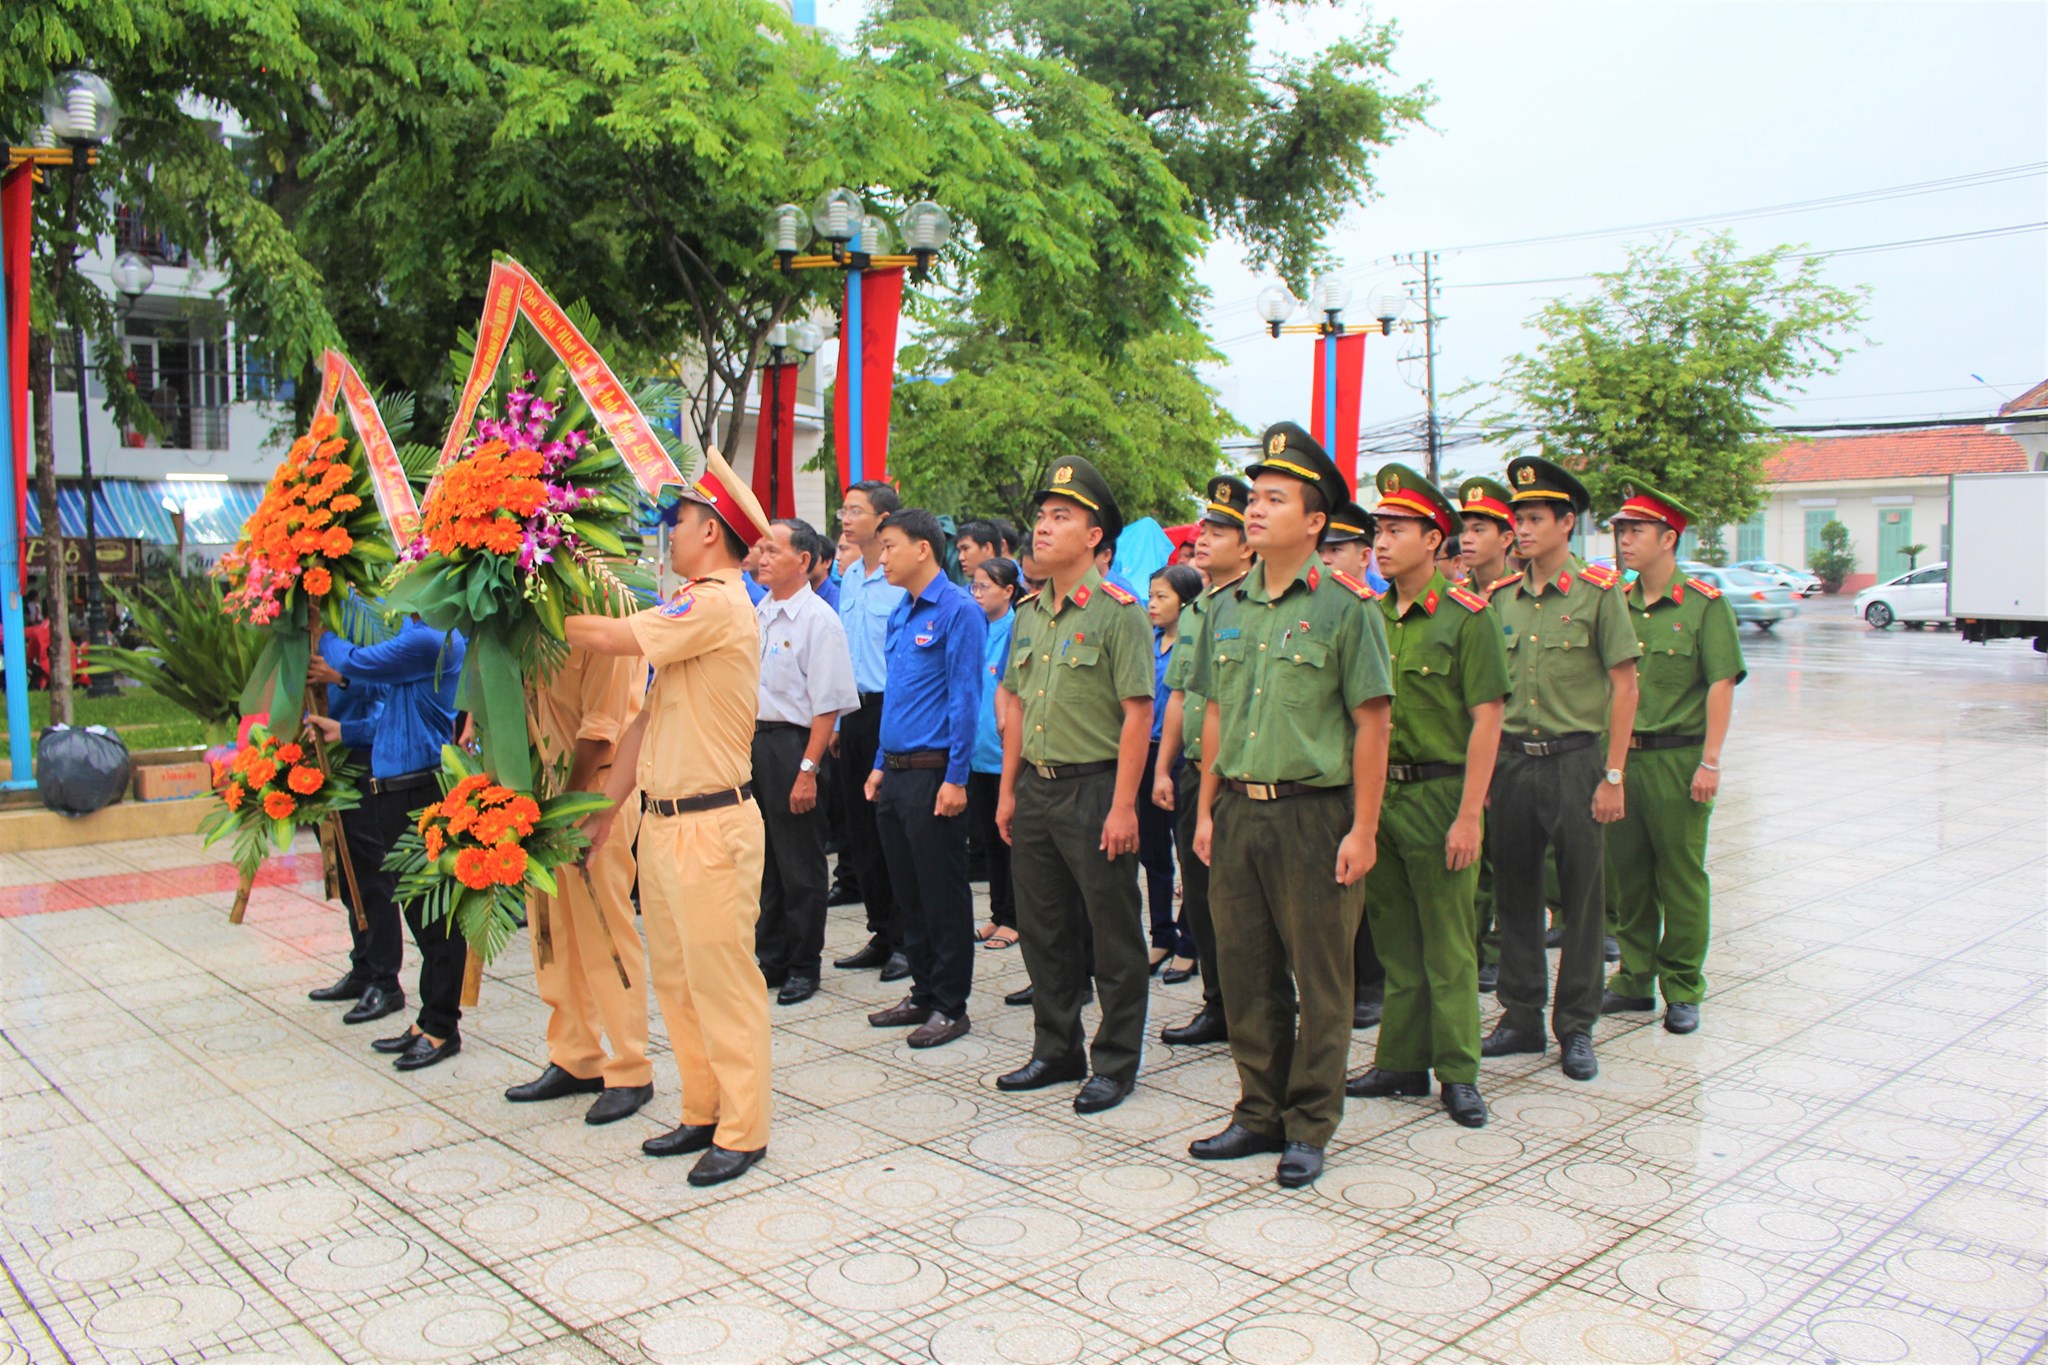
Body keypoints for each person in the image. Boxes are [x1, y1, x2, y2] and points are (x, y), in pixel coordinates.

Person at [1187, 422, 1392, 1189]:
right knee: (1246, 970)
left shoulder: (1346, 607)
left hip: (1315, 814)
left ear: (1314, 522)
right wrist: (1207, 809)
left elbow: (1372, 723)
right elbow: (1214, 711)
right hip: (1238, 809)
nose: (1255, 509)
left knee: (1321, 976)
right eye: (1255, 497)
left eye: (1275, 499)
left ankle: (1309, 1122)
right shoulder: (1227, 607)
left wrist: (1363, 828)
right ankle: (1258, 1109)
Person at [567, 449, 774, 1187]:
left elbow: (609, 637)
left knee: (722, 981)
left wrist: (541, 600)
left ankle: (744, 1128)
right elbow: (644, 725)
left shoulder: (714, 602)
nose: (671, 532)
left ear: (712, 531)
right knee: (679, 980)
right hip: (664, 824)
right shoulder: (694, 613)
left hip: (711, 826)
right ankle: (702, 1108)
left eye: (680, 520)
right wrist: (604, 813)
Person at [1343, 466, 1506, 1129]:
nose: (1381, 543)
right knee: (1395, 941)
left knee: (1449, 944)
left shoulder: (1467, 618)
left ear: (1434, 539)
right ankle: (1401, 1061)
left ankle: (1459, 1071)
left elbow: (1488, 719)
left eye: (1396, 531)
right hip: (1382, 798)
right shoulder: (1368, 616)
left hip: (1441, 795)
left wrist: (1469, 814)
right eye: (1378, 531)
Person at [994, 455, 1154, 1114]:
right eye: (1041, 516)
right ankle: (1056, 1047)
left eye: (1061, 517)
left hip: (1096, 790)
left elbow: (1138, 713)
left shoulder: (1121, 612)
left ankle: (1115, 1060)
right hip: (1037, 788)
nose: (1043, 527)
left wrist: (1124, 806)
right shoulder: (1029, 613)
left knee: (1113, 933)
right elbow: (1015, 705)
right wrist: (1008, 791)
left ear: (1093, 536)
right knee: (1043, 928)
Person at [1481, 455, 1641, 1084]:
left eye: (1534, 519)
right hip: (1513, 762)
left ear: (1566, 523)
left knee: (1582, 899)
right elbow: (1488, 695)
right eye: (1517, 519)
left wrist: (1614, 775)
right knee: (1515, 893)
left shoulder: (1599, 593)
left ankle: (1575, 1025)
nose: (1521, 529)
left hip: (1577, 761)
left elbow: (1624, 686)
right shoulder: (1501, 599)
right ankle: (1521, 1016)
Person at [1602, 479, 1743, 1036]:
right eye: (1621, 531)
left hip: (1678, 760)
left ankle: (1682, 986)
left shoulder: (1705, 606)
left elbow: (1721, 683)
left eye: (1636, 531)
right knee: (1628, 876)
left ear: (1668, 538)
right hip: (1623, 760)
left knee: (1681, 877)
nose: (1624, 541)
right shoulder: (1617, 602)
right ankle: (1635, 978)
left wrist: (1711, 761)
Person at [502, 629, 653, 1122]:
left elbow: (600, 730)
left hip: (595, 793)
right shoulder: (535, 622)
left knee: (603, 931)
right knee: (553, 933)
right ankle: (574, 1056)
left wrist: (566, 809)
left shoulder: (607, 615)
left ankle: (630, 1068)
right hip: (540, 797)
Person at [306, 615, 469, 1071]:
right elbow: (389, 707)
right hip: (397, 792)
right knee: (419, 914)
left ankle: (442, 1027)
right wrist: (347, 731)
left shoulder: (432, 640)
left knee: (435, 919)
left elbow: (354, 661)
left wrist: (320, 625)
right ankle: (427, 1020)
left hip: (420, 792)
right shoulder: (413, 638)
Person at [864, 508, 989, 1048]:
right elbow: (897, 698)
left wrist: (956, 778)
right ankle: (922, 990)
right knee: (908, 891)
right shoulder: (903, 610)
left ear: (922, 548)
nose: (882, 558)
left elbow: (965, 698)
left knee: (942, 893)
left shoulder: (959, 610)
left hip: (934, 774)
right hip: (895, 773)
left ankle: (950, 1005)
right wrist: (877, 763)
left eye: (889, 546)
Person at [1153, 476, 1254, 1046]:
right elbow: (1179, 695)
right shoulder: (1195, 610)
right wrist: (1163, 769)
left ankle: (1254, 1009)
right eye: (1203, 529)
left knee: (1244, 903)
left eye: (1218, 531)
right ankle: (1217, 1004)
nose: (1202, 540)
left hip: (1239, 779)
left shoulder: (1257, 605)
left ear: (1247, 544)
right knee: (1201, 895)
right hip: (1193, 772)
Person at [751, 518, 859, 1007]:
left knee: (800, 865)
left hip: (796, 747)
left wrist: (808, 771)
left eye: (773, 550)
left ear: (803, 560)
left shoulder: (819, 620)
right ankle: (771, 958)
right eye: (760, 549)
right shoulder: (760, 612)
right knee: (766, 863)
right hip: (757, 744)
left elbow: (827, 706)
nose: (762, 558)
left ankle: (803, 965)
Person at [831, 480, 910, 981]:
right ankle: (881, 931)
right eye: (844, 509)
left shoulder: (899, 577)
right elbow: (846, 654)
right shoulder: (850, 576)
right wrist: (840, 719)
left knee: (890, 830)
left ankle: (906, 939)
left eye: (855, 510)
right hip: (854, 711)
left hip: (890, 710)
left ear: (882, 520)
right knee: (859, 831)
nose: (845, 517)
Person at [1320, 499, 1391, 1031]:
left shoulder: (1376, 609)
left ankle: (1373, 984)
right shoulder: (1320, 611)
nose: (1326, 559)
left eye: (1337, 550)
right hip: (1332, 769)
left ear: (1364, 555)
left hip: (1378, 763)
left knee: (1370, 885)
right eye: (1322, 550)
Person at [304, 651, 392, 1019]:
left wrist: (340, 678)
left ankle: (385, 980)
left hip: (359, 751)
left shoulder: (363, 625)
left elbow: (389, 687)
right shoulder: (302, 630)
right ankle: (364, 967)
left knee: (370, 873)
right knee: (345, 870)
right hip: (317, 754)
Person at [1457, 475, 1518, 994]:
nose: (1468, 539)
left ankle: (1499, 952)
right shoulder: (1456, 600)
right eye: (1466, 529)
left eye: (1481, 529)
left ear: (1507, 538)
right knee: (1470, 864)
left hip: (1517, 752)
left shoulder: (1524, 598)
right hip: (1464, 753)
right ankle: (1473, 948)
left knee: (1509, 864)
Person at [1141, 564, 1203, 974]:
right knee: (1153, 853)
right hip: (1145, 753)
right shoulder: (1148, 642)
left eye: (1162, 596)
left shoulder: (1194, 644)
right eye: (1151, 595)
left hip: (1181, 756)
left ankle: (1189, 940)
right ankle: (1161, 935)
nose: (1153, 604)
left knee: (1188, 853)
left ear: (1185, 601)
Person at [969, 557, 1022, 950]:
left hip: (1005, 751)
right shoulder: (974, 627)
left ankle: (1015, 918)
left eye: (985, 586)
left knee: (1010, 840)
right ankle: (997, 912)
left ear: (1008, 590)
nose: (977, 593)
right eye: (974, 585)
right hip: (976, 750)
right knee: (988, 838)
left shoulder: (1017, 629)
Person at [1320, 502, 1389, 593]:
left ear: (1364, 557)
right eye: (1319, 551)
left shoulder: (1385, 599)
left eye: (1335, 550)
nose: (1324, 560)